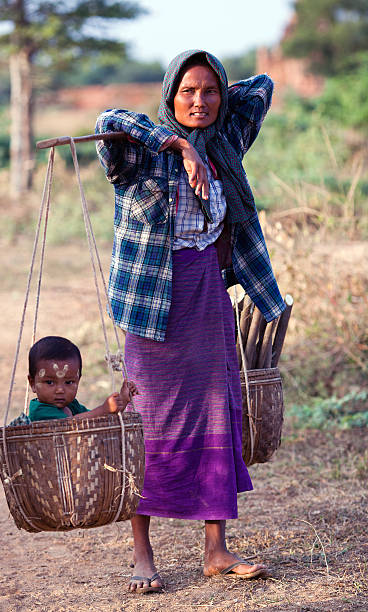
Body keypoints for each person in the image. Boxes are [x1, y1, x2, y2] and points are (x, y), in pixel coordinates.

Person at [95, 49, 286, 594]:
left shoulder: (227, 143)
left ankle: (215, 550)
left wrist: (208, 127)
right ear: (168, 97)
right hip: (155, 305)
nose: (198, 101)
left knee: (216, 413)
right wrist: (177, 144)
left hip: (208, 297)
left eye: (209, 91)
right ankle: (142, 553)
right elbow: (107, 118)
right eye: (186, 91)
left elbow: (263, 85)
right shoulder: (138, 154)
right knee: (150, 423)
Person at [27, 336, 137, 421]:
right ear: (32, 384)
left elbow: (99, 420)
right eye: (50, 382)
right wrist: (104, 409)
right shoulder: (39, 411)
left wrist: (122, 400)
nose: (60, 390)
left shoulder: (72, 405)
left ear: (78, 380)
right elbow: (69, 426)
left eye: (69, 382)